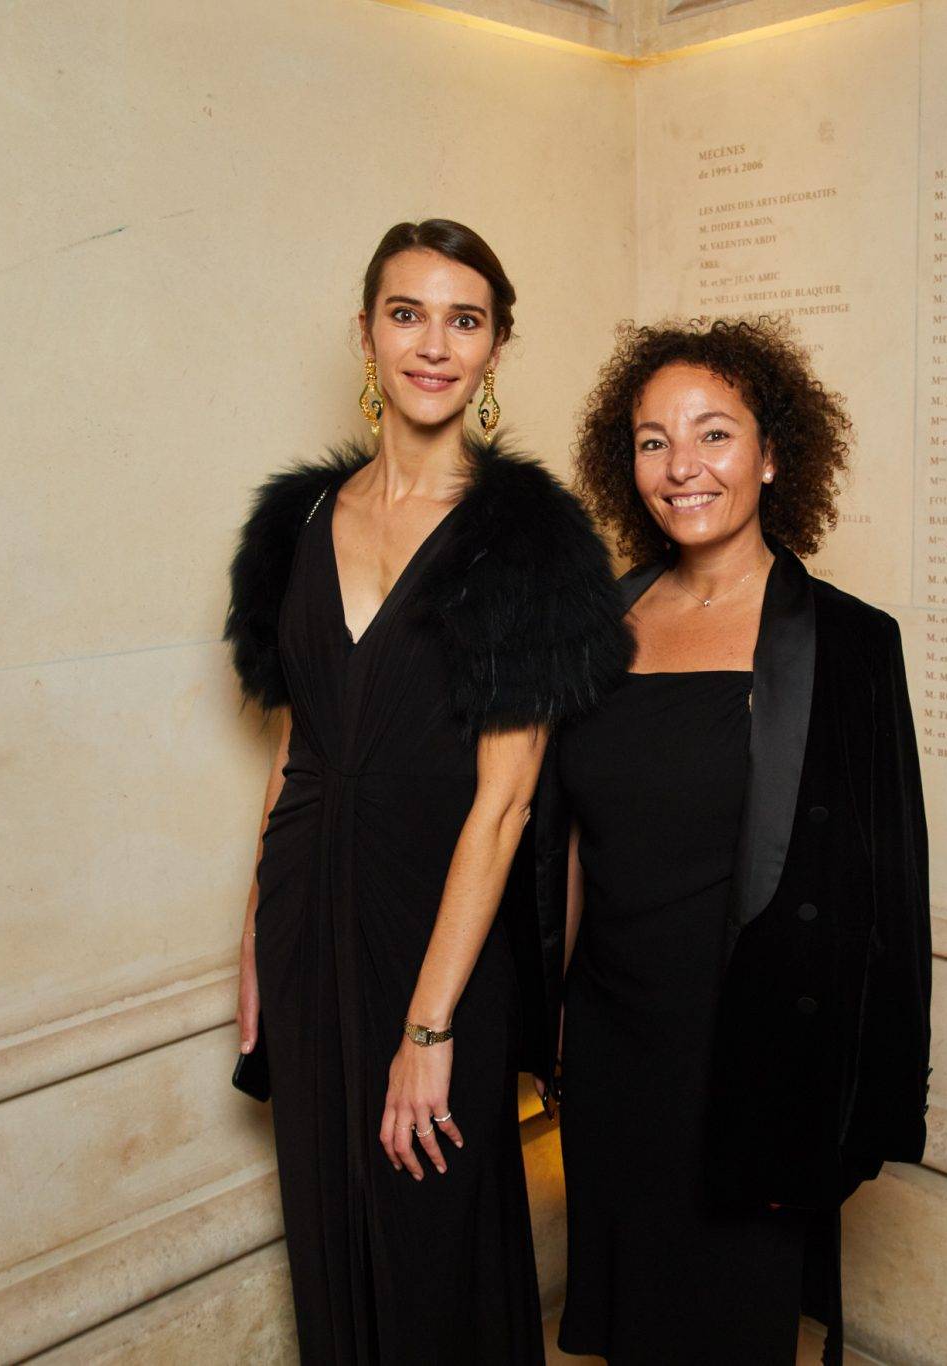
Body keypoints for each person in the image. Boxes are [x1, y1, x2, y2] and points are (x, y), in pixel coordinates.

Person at [222, 219, 629, 1364]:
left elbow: (504, 805)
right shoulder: (296, 523)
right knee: (327, 1219)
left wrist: (429, 1023)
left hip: (437, 930)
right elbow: (293, 747)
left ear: (496, 347)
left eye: (465, 320)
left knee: (431, 1230)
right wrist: (256, 933)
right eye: (407, 314)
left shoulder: (529, 542)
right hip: (309, 917)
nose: (433, 345)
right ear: (365, 332)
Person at [533, 317, 932, 1364]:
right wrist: (552, 1014)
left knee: (727, 1329)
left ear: (769, 453)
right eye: (651, 438)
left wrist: (869, 1097)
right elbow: (565, 838)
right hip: (615, 1044)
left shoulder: (846, 643)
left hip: (754, 1053)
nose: (680, 465)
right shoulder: (591, 627)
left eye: (713, 434)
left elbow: (886, 886)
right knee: (632, 1322)